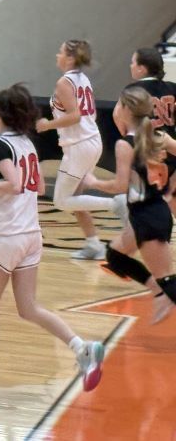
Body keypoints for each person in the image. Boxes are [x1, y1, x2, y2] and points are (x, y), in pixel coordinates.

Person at [0, 84, 105, 398]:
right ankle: (81, 347)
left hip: (8, 235)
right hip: (31, 234)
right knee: (29, 307)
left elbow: (16, 183)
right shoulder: (27, 144)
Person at [84, 86, 176, 324]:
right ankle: (158, 293)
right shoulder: (159, 137)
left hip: (148, 216)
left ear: (124, 109)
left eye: (118, 104)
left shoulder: (125, 144)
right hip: (150, 212)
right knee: (115, 256)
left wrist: (94, 182)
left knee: (169, 283)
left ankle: (162, 292)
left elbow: (120, 186)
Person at [35, 40, 124, 260]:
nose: (57, 55)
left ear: (71, 58)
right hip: (91, 141)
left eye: (61, 52)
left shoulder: (64, 83)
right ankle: (94, 244)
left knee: (61, 201)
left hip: (79, 146)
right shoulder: (82, 79)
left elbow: (75, 115)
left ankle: (116, 204)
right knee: (76, 197)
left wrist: (47, 125)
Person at [118, 47, 176, 216]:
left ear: (141, 68)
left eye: (132, 62)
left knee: (142, 202)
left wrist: (127, 136)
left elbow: (117, 115)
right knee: (171, 199)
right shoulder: (172, 88)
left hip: (146, 151)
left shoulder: (133, 89)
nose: (130, 66)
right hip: (170, 149)